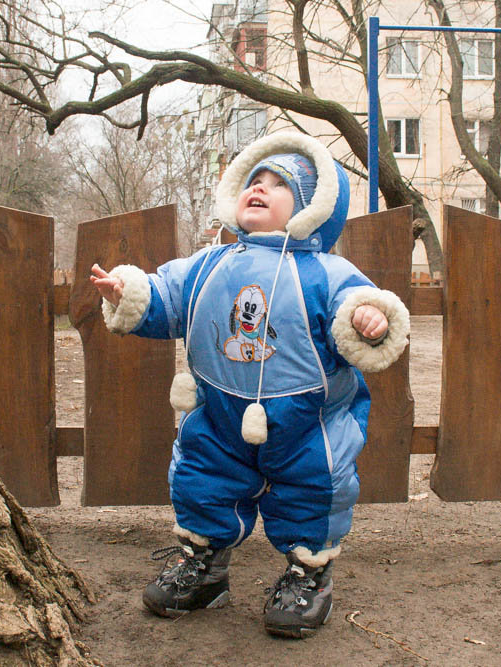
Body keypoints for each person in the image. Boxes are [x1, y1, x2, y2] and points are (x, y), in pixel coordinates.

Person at [89, 131, 409, 638]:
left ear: (313, 208)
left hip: (306, 421)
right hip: (218, 413)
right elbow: (168, 296)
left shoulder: (326, 272)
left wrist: (370, 318)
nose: (258, 189)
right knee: (202, 480)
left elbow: (358, 307)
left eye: (278, 185)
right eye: (253, 180)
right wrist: (130, 292)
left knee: (313, 489)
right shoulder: (210, 262)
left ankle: (308, 575)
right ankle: (204, 568)